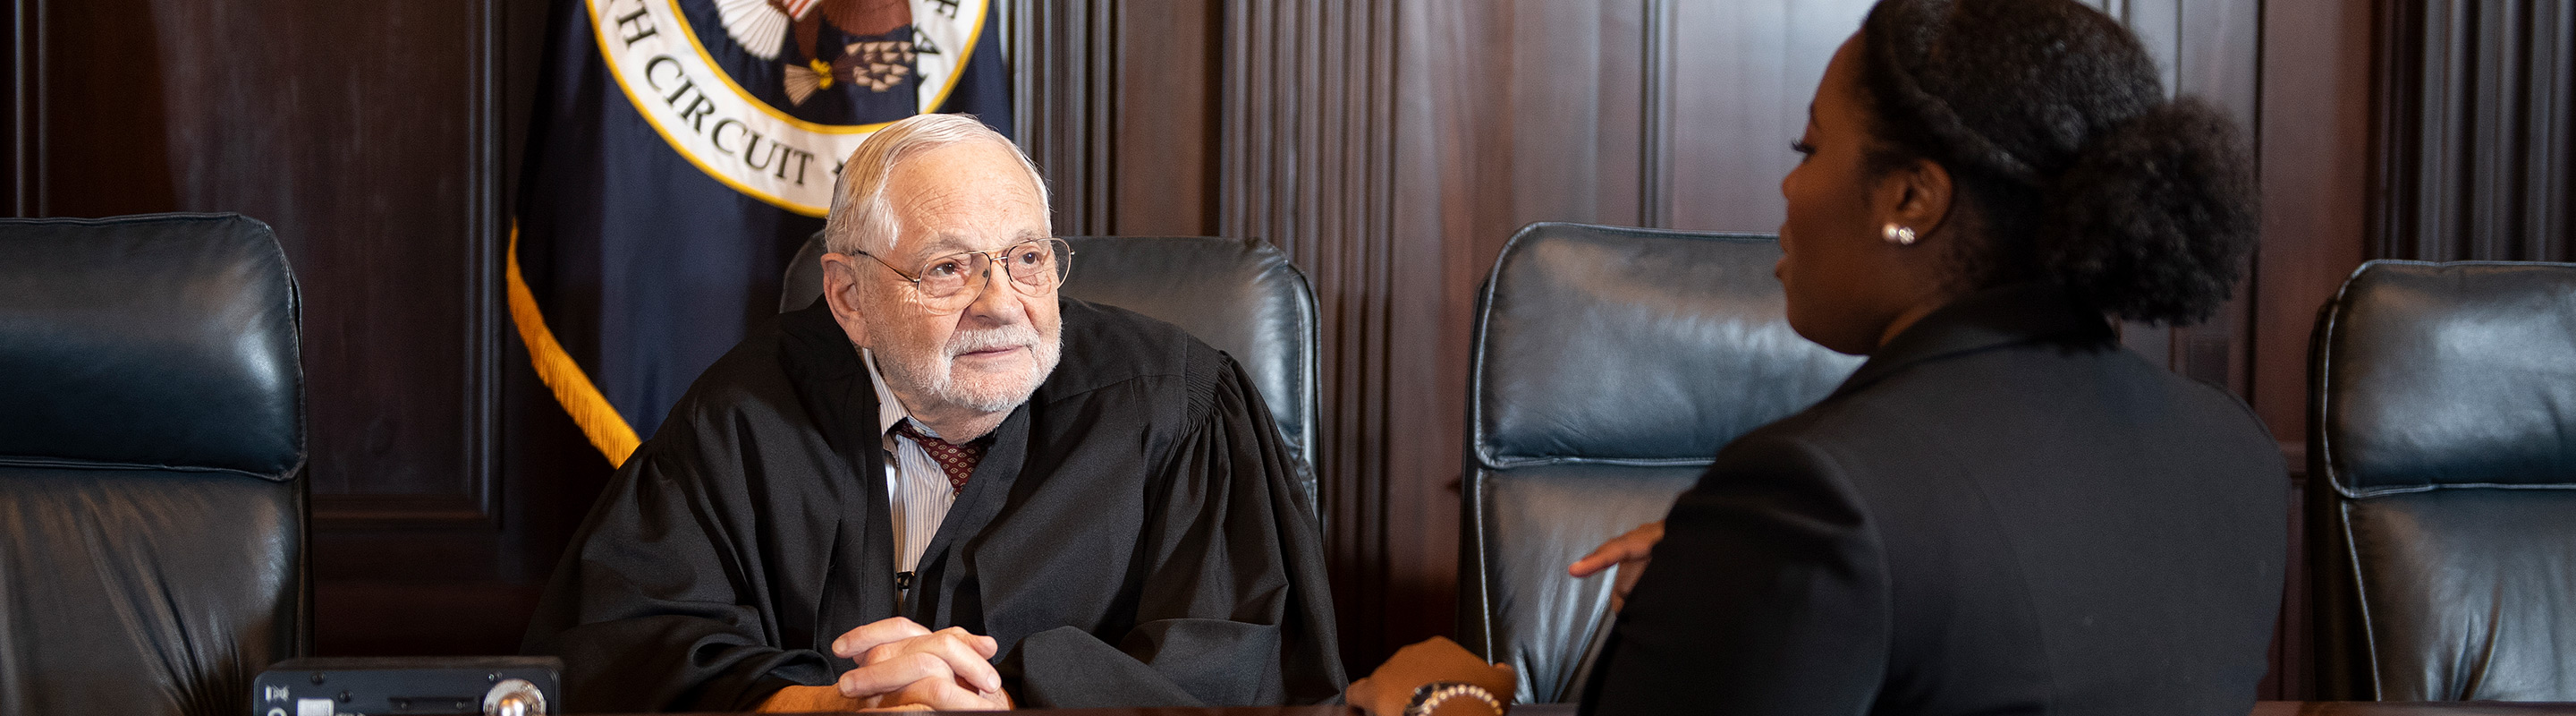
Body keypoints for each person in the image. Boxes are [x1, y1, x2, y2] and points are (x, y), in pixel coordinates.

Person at [1347, 0, 2284, 713]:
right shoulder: (2230, 450)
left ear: (1911, 198)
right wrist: (1736, 583)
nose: (1789, 186)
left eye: (1811, 146)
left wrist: (1449, 702)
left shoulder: (1814, 496)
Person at [523, 113, 1344, 712]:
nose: (1003, 305)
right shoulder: (747, 412)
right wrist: (829, 706)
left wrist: (1005, 704)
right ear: (849, 297)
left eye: (1027, 259)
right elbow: (622, 646)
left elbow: (1246, 672)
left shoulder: (1178, 405)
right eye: (949, 268)